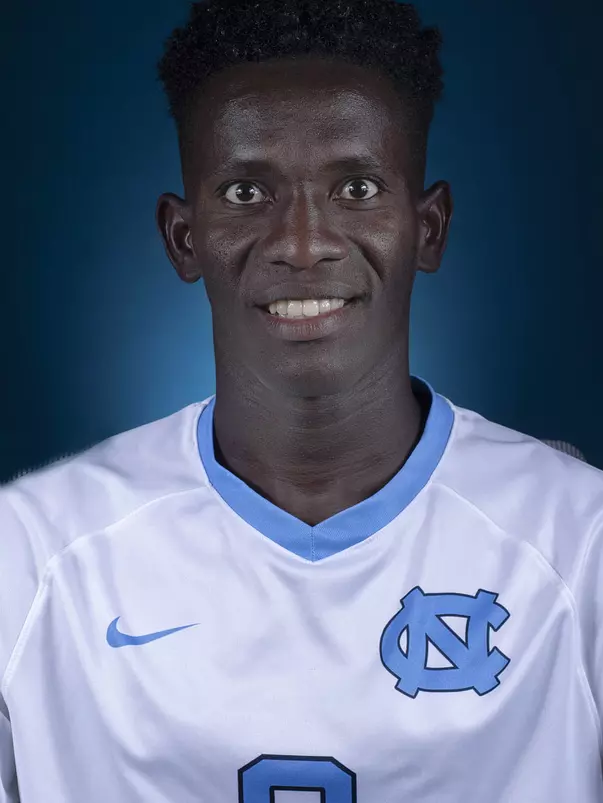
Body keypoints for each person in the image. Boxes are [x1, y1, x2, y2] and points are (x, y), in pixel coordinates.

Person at [1, 0, 602, 800]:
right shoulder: (33, 554)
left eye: (354, 185)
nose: (302, 241)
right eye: (248, 192)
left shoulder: (580, 543)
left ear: (427, 228)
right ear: (185, 238)